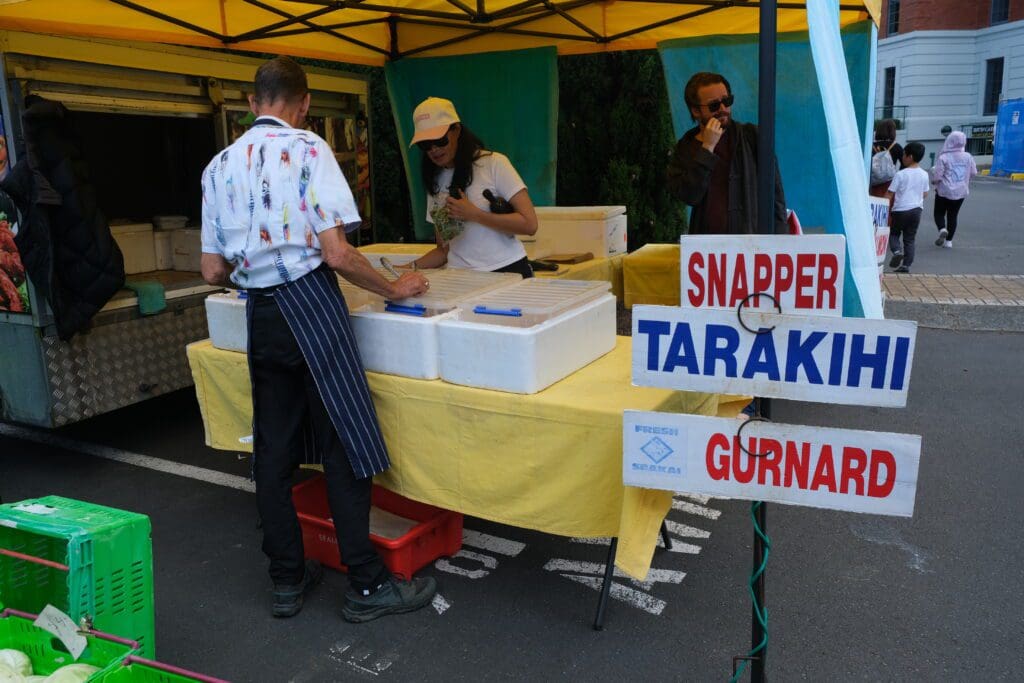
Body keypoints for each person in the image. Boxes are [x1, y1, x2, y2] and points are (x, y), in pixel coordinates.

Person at [200, 56, 437, 623]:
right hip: (311, 302)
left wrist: (255, 274)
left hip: (261, 313)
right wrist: (391, 287)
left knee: (274, 451)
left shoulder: (217, 167)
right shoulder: (308, 149)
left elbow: (210, 270)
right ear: (303, 103)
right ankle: (366, 582)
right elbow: (335, 253)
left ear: (254, 102)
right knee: (346, 442)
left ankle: (286, 579)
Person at [402, 97, 538, 277]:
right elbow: (443, 251)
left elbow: (530, 225)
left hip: (507, 271)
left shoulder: (493, 163)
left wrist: (474, 214)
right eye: (425, 144)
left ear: (456, 131)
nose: (434, 149)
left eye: (440, 140)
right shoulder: (435, 181)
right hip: (461, 279)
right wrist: (404, 269)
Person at [666, 72, 788, 235]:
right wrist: (707, 147)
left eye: (727, 101)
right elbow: (689, 196)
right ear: (695, 111)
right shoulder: (686, 146)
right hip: (707, 249)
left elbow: (775, 194)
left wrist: (781, 240)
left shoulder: (751, 136)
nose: (723, 109)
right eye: (714, 105)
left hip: (751, 244)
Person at [886, 141, 930, 274]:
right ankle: (906, 266)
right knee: (910, 238)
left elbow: (889, 193)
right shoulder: (924, 174)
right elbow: (925, 193)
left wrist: (880, 204)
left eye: (904, 155)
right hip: (916, 210)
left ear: (910, 156)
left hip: (900, 210)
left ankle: (897, 251)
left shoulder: (901, 174)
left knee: (894, 234)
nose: (902, 157)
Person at [930, 130, 977, 249]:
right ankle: (949, 242)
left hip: (944, 191)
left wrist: (934, 182)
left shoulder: (944, 157)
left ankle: (942, 228)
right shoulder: (968, 156)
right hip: (960, 191)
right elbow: (974, 172)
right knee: (953, 215)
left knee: (939, 213)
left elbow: (938, 175)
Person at [870, 119, 903, 198]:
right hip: (890, 184)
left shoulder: (870, 146)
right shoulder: (896, 146)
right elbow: (904, 165)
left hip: (873, 183)